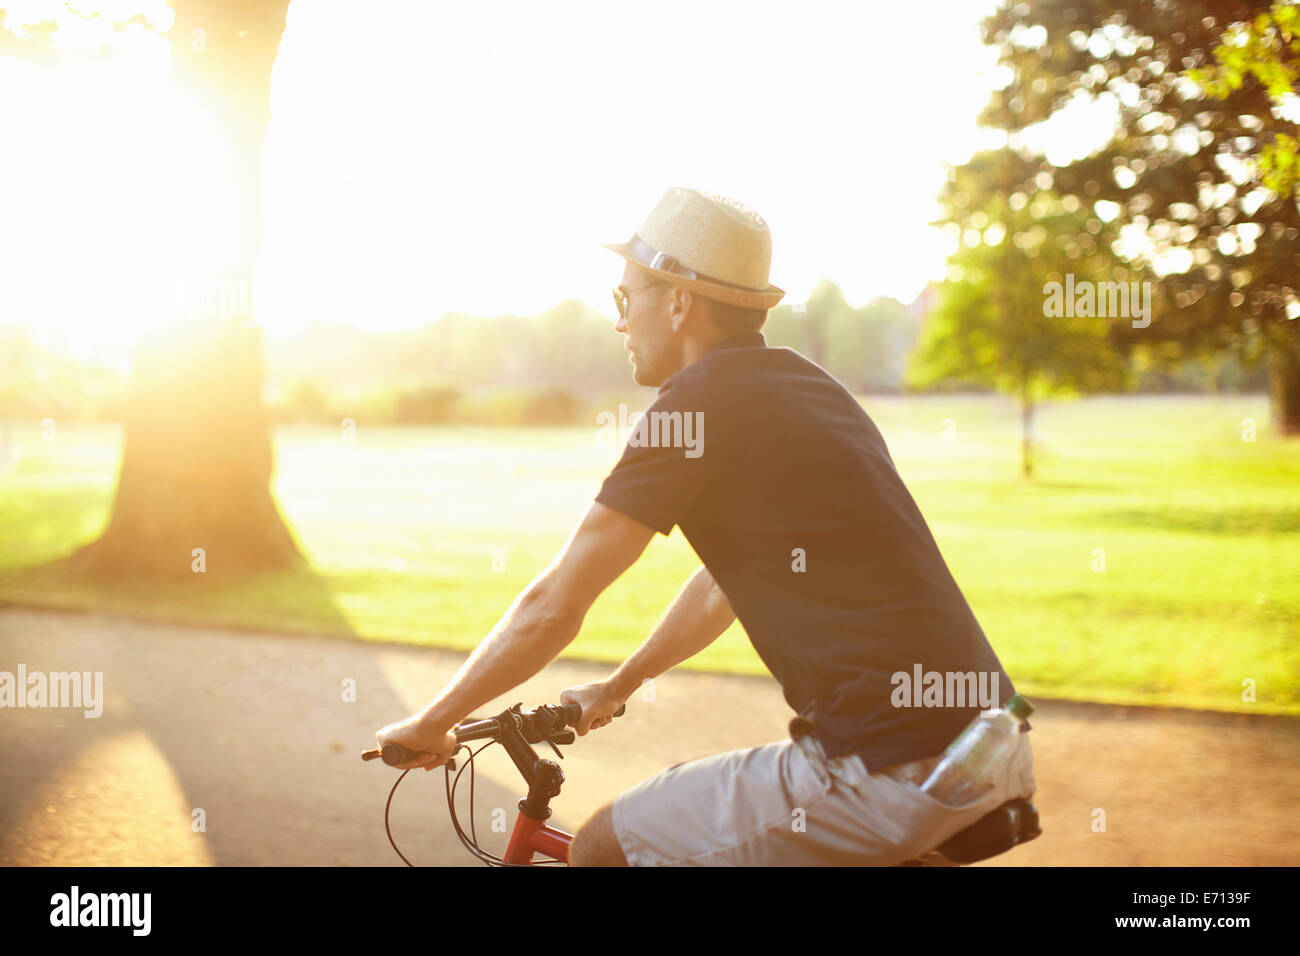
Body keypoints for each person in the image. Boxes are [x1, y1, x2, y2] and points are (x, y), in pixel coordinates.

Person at [374, 186, 1035, 866]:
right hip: (986, 740)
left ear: (679, 301)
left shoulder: (692, 408)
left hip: (887, 764)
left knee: (604, 845)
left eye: (626, 299)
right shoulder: (804, 387)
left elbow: (553, 605)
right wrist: (618, 685)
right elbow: (726, 582)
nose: (621, 322)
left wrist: (434, 721)